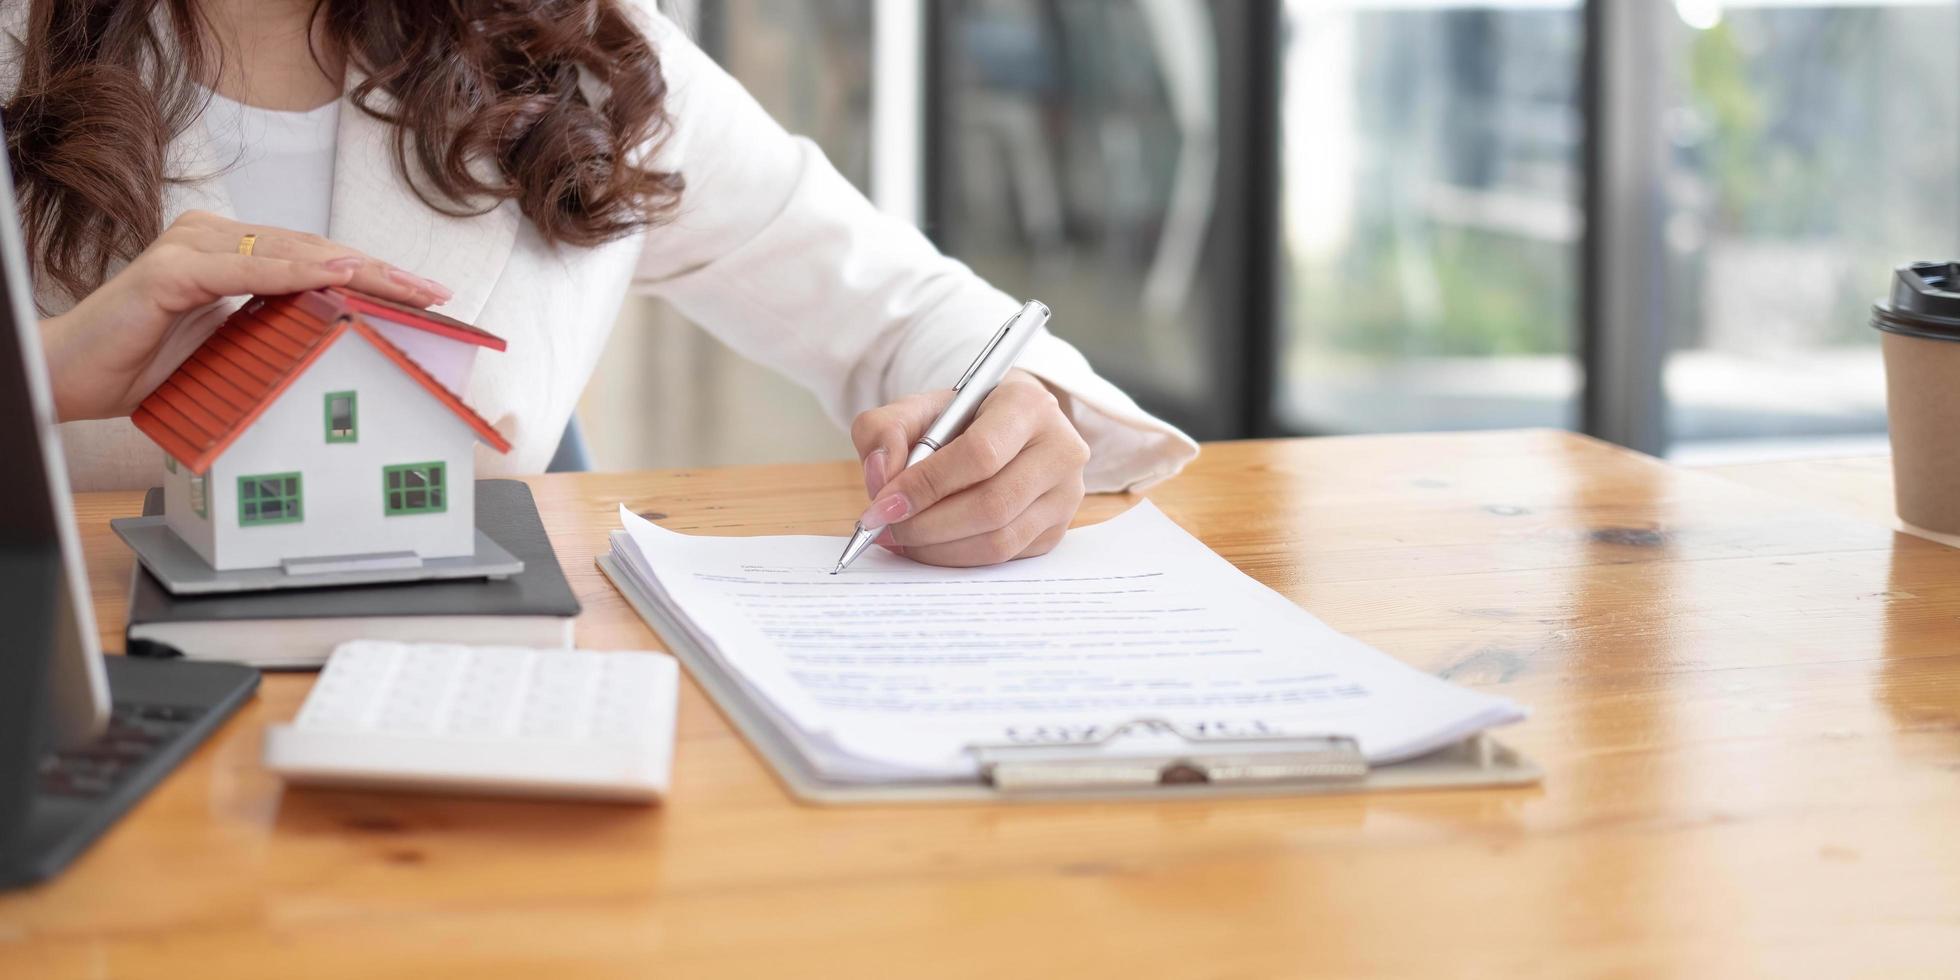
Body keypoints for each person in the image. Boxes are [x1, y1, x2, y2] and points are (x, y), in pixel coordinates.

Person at [0, 0, 1195, 566]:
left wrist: (1011, 415)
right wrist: (43, 381)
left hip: (453, 740)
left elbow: (908, 310)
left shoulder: (573, 54)